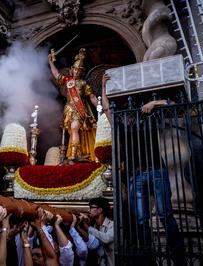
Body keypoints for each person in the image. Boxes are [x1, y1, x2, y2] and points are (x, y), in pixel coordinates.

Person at [102, 73, 185, 265]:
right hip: (135, 175)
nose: (128, 117)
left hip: (156, 170)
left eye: (130, 112)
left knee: (165, 214)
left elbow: (174, 105)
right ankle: (149, 259)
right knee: (141, 220)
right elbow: (106, 108)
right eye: (125, 114)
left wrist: (154, 103)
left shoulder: (148, 118)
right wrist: (104, 87)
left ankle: (179, 257)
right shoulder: (120, 125)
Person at [48, 48, 98, 162]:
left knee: (74, 128)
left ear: (82, 72)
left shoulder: (84, 83)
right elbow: (57, 76)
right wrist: (51, 62)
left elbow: (92, 97)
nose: (76, 72)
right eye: (75, 69)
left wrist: (100, 107)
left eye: (79, 70)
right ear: (72, 69)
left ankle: (74, 155)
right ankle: (78, 153)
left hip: (79, 110)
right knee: (72, 132)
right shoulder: (67, 80)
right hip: (69, 109)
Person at [79, 197, 114, 266]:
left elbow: (106, 239)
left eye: (91, 207)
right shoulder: (93, 226)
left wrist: (88, 227)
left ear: (100, 210)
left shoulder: (112, 225)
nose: (89, 210)